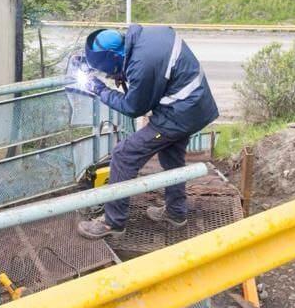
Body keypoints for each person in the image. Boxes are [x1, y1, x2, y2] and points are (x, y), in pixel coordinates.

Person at [76, 25, 218, 239]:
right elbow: (155, 74)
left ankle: (112, 223)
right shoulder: (143, 38)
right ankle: (176, 213)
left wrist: (100, 90)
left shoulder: (142, 65)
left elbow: (134, 107)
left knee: (124, 155)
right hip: (193, 104)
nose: (107, 74)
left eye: (107, 70)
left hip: (180, 113)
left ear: (113, 59)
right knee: (171, 157)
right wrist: (122, 73)